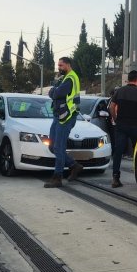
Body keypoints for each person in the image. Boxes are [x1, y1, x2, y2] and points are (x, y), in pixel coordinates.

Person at [44, 57, 84, 188]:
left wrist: (53, 91)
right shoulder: (64, 78)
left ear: (68, 65)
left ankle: (57, 177)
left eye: (61, 65)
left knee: (58, 147)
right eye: (58, 65)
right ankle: (74, 165)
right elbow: (53, 91)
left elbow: (56, 93)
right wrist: (53, 91)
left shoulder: (70, 78)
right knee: (52, 146)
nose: (59, 68)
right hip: (59, 116)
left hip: (66, 117)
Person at [108, 70, 137, 188]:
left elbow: (111, 106)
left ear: (128, 79)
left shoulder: (119, 91)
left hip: (121, 125)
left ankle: (115, 178)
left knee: (118, 151)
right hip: (134, 125)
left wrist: (115, 118)